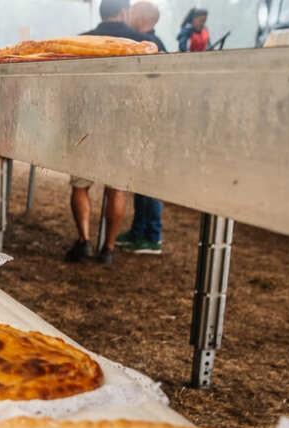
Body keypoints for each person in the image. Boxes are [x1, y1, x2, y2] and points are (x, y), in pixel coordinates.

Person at [66, 0, 153, 264]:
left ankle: (84, 241)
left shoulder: (81, 42)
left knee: (80, 186)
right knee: (117, 189)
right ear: (125, 13)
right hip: (123, 125)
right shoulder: (144, 42)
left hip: (86, 124)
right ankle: (109, 248)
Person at [115, 0, 167, 255]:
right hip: (141, 123)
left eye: (133, 11)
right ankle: (138, 232)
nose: (128, 14)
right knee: (140, 183)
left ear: (143, 17)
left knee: (150, 184)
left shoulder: (153, 47)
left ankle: (152, 236)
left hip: (151, 124)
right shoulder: (140, 43)